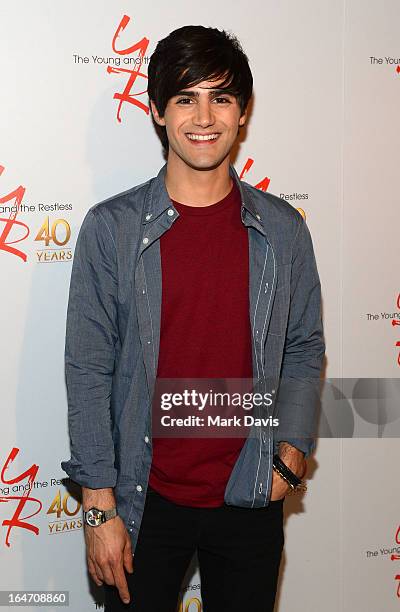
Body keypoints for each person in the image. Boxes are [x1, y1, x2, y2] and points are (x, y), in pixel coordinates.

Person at [61, 24, 325, 612]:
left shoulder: (283, 231)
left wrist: (292, 451)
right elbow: (87, 369)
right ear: (156, 110)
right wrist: (98, 505)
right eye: (186, 97)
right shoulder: (113, 229)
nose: (204, 117)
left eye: (221, 97)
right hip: (141, 500)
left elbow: (304, 346)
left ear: (242, 112)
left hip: (249, 491)